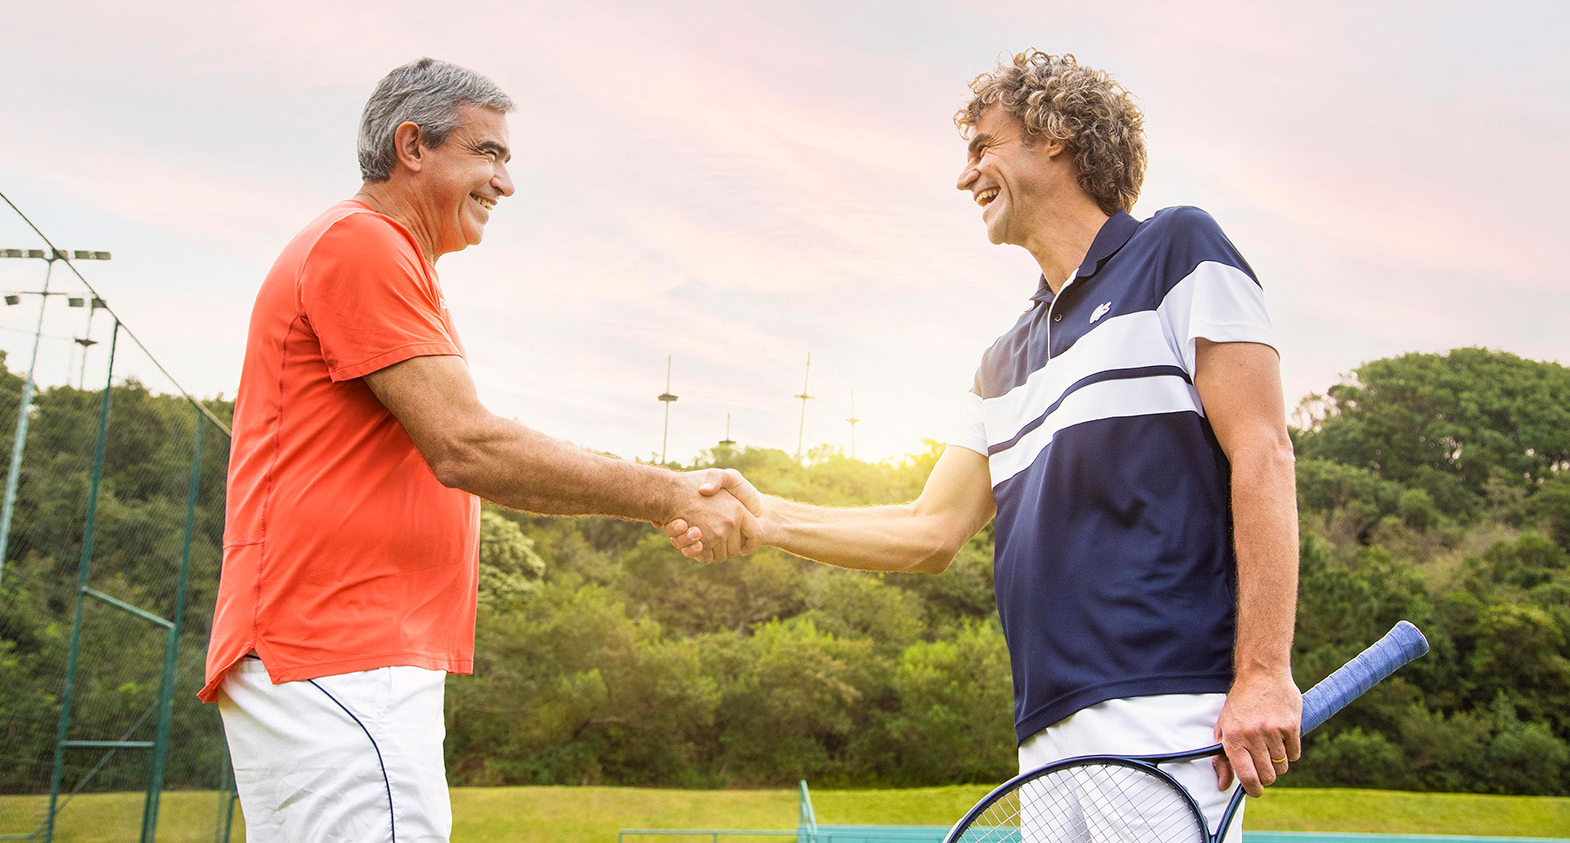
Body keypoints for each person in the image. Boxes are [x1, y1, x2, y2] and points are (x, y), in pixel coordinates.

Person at [667, 50, 1301, 839]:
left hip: (1164, 712)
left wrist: (1265, 672)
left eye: (981, 147)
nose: (966, 177)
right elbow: (929, 532)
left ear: (1055, 135)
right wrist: (763, 519)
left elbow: (1265, 454)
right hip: (1045, 731)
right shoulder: (999, 360)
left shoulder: (1178, 250)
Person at [200, 57, 759, 843]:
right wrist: (669, 493)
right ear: (412, 147)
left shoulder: (376, 253)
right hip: (338, 654)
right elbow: (468, 445)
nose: (505, 182)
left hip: (333, 658)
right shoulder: (364, 245)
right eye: (488, 153)